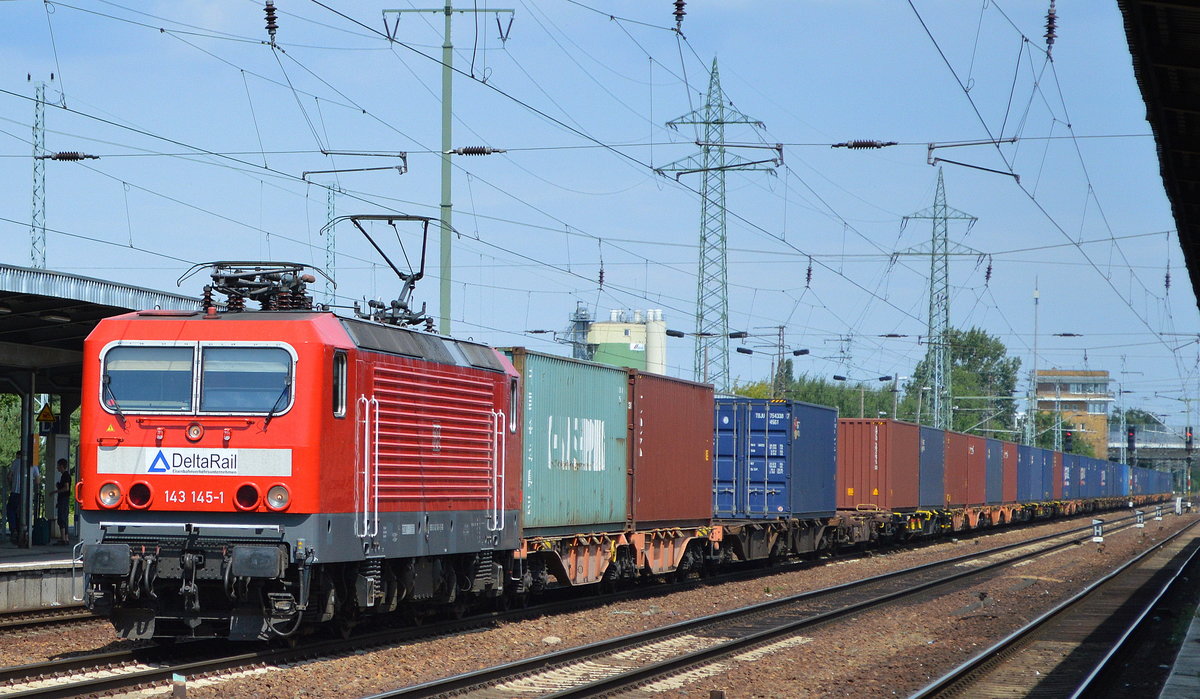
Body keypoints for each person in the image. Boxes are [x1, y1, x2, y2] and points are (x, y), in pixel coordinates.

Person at [6, 450, 21, 545]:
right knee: (22, 512)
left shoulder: (16, 462)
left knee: (10, 509)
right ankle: (22, 530)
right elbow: (37, 480)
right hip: (27, 494)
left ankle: (14, 529)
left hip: (15, 491)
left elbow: (9, 476)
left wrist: (10, 485)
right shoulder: (33, 463)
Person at [54, 459, 70, 545]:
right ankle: (66, 538)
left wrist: (57, 491)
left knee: (61, 519)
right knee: (65, 518)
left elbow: (66, 488)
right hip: (64, 499)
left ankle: (63, 538)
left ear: (61, 466)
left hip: (63, 499)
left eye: (58, 466)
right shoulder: (65, 475)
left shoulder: (65, 476)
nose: (57, 468)